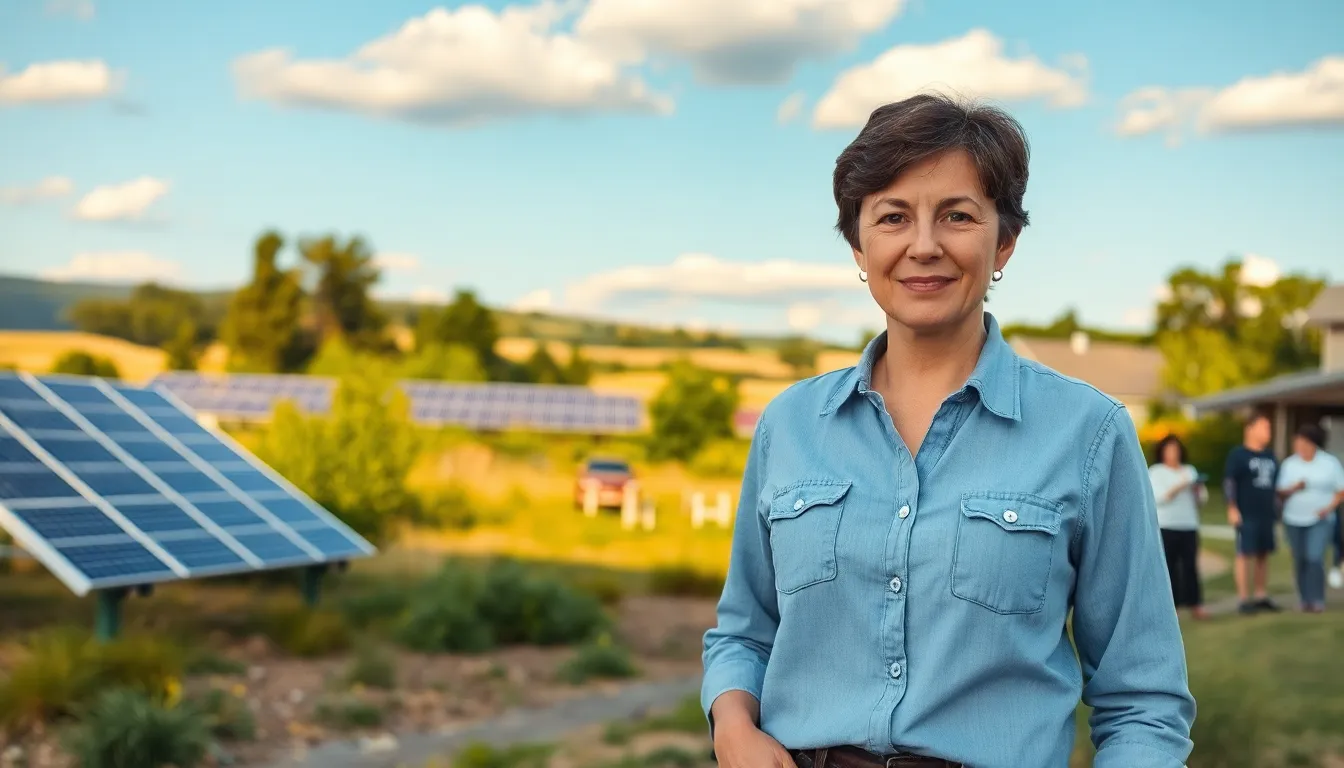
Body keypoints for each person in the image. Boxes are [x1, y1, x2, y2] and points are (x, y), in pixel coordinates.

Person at [701, 94, 1194, 768]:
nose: (924, 245)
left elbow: (1143, 702)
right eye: (894, 216)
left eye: (957, 216)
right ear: (859, 243)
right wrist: (733, 726)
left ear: (1005, 242)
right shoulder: (789, 426)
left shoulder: (1089, 434)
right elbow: (744, 631)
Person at [1275, 423, 1344, 613]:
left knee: (1314, 557)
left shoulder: (1329, 463)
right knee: (1300, 559)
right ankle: (1304, 599)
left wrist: (1327, 508)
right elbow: (1280, 491)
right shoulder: (1290, 464)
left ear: (1314, 443)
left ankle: (1317, 599)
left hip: (1321, 519)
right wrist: (1294, 488)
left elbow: (1340, 491)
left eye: (1304, 443)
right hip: (1293, 518)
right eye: (1297, 443)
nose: (1300, 447)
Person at [1223, 411, 1282, 614]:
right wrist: (1231, 507)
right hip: (1246, 513)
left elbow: (1275, 485)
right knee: (1244, 553)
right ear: (1250, 429)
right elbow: (1229, 482)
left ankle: (1260, 595)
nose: (1268, 432)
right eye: (1264, 427)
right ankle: (1243, 598)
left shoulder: (1270, 456)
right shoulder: (1238, 455)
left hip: (1266, 513)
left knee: (1263, 553)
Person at [1148, 434, 1207, 619]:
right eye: (1169, 450)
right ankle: (1172, 607)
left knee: (1190, 566)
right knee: (1170, 567)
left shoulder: (1189, 470)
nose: (1173, 453)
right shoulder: (1156, 471)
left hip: (1188, 524)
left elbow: (1202, 500)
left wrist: (1197, 489)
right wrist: (1181, 485)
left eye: (1176, 450)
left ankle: (1195, 604)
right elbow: (1159, 497)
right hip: (1167, 525)